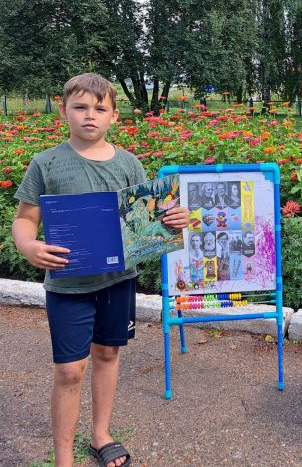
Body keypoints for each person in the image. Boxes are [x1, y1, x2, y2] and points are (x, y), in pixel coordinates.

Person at [12, 73, 190, 467]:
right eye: (80, 107)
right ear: (63, 110)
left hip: (117, 281)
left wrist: (175, 218)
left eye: (99, 108)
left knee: (108, 353)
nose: (89, 116)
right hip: (68, 285)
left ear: (114, 115)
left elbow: (149, 217)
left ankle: (101, 435)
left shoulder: (128, 164)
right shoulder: (46, 163)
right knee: (70, 371)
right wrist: (29, 245)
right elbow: (25, 219)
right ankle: (63, 458)